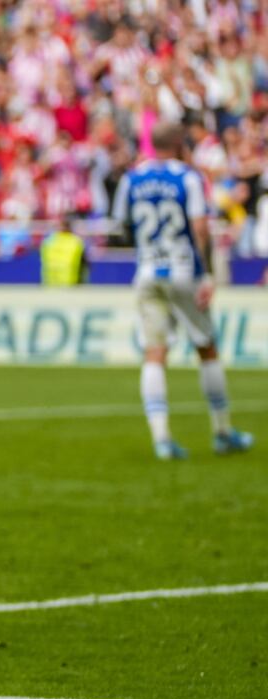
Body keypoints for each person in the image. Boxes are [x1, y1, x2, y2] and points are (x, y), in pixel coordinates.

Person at [112, 122, 254, 460]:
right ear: (180, 143)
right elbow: (200, 227)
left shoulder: (132, 178)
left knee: (154, 352)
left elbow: (121, 225)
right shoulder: (188, 177)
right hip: (183, 270)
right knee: (206, 346)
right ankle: (222, 432)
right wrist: (206, 275)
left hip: (147, 271)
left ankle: (161, 439)